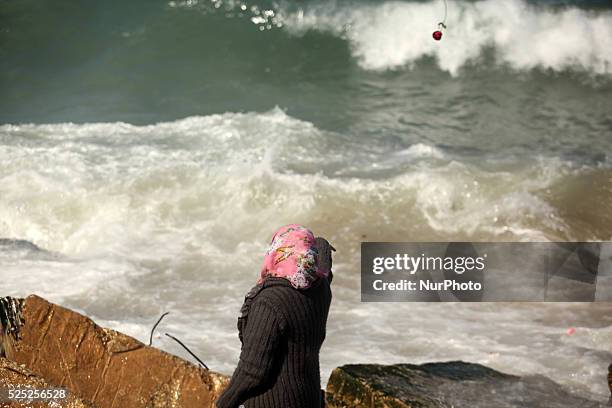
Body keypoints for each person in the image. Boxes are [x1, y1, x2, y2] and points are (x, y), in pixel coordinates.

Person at [216, 224, 334, 408]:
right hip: (309, 399)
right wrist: (322, 245)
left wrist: (223, 404)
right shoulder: (320, 288)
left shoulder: (269, 303)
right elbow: (326, 267)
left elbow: (253, 371)